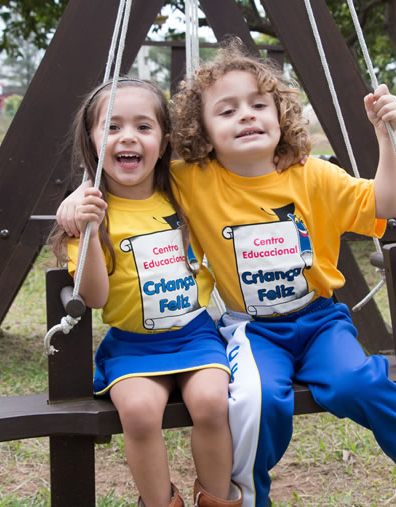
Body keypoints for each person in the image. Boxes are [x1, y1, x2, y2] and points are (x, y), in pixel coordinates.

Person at [164, 41, 396, 507]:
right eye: (227, 110)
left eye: (259, 105)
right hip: (252, 329)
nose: (246, 116)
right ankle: (249, 496)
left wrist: (385, 135)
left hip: (319, 321)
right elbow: (129, 169)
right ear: (202, 129)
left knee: (356, 381)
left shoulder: (314, 175)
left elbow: (386, 204)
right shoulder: (191, 180)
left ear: (281, 117)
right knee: (257, 401)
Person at [52, 77, 243, 507]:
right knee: (138, 413)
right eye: (113, 126)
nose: (128, 137)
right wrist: (86, 229)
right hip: (133, 346)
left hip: (195, 335)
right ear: (92, 140)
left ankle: (217, 500)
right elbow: (96, 297)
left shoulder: (183, 194)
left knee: (213, 402)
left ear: (164, 140)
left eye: (143, 126)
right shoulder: (92, 214)